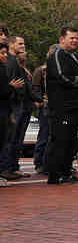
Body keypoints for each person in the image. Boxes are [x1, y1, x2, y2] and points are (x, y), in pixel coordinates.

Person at [46, 27, 78, 184]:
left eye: (76, 38)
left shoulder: (74, 55)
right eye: (71, 38)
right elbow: (62, 77)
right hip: (62, 106)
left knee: (70, 141)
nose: (75, 41)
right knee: (60, 140)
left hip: (75, 106)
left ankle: (66, 171)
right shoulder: (57, 55)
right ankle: (55, 175)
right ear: (62, 39)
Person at [0, 36, 41, 180]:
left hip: (21, 106)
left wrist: (39, 99)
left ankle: (12, 167)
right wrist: (12, 107)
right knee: (10, 139)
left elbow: (25, 86)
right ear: (11, 45)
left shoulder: (15, 62)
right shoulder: (10, 62)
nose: (23, 46)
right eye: (20, 44)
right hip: (14, 107)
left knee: (17, 139)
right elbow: (11, 85)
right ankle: (6, 168)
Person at [31, 44, 59, 175]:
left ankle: (52, 162)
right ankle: (39, 163)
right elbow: (35, 88)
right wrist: (40, 101)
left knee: (55, 136)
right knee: (44, 135)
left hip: (58, 106)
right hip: (45, 107)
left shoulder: (60, 70)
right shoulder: (41, 70)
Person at [0, 42, 24, 187]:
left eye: (5, 53)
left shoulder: (3, 68)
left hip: (4, 109)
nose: (4, 56)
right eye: (2, 53)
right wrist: (11, 87)